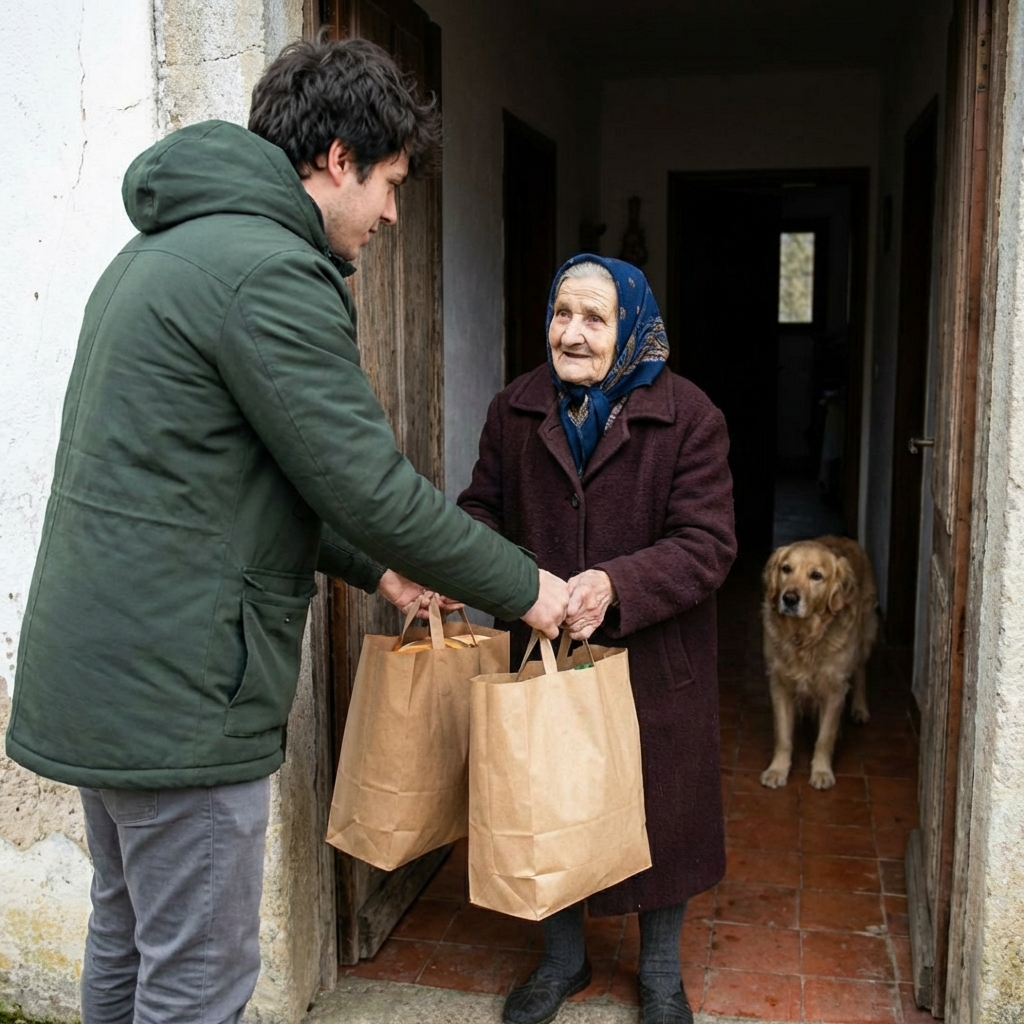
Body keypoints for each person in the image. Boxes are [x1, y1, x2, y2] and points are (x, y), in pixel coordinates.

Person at [5, 38, 568, 1024]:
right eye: (391, 182)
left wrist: (376, 571)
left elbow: (229, 483)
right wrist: (528, 585)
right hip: (179, 692)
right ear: (341, 157)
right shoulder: (268, 271)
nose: (394, 213)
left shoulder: (165, 250)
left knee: (129, 939)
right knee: (198, 980)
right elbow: (371, 489)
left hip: (104, 674)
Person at [458, 255, 737, 1024]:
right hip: (547, 646)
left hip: (655, 656)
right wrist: (509, 582)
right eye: (561, 314)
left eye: (593, 319)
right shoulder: (514, 409)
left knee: (661, 809)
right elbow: (478, 511)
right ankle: (562, 960)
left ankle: (658, 976)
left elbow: (709, 542)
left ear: (633, 328)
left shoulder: (690, 416)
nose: (571, 334)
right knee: (552, 796)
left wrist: (617, 584)